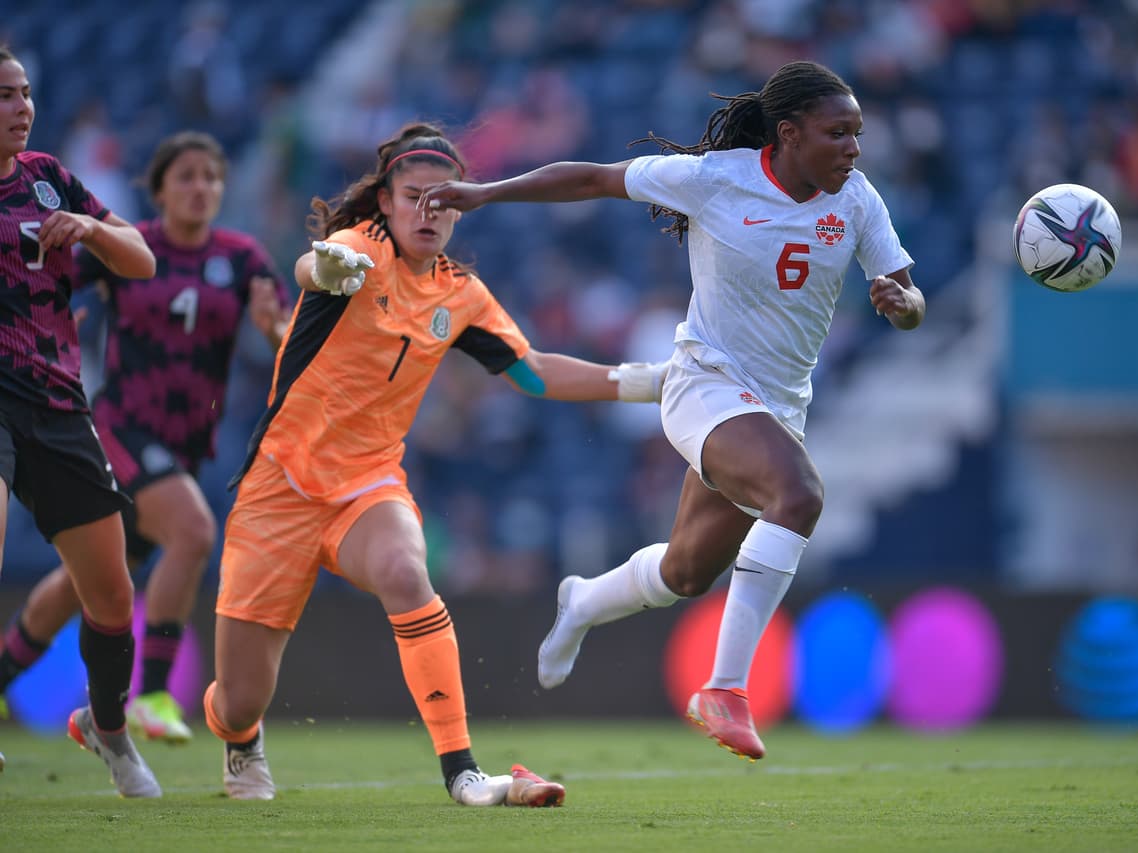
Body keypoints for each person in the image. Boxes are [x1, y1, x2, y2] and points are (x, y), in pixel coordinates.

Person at [424, 60, 926, 761]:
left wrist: (905, 306)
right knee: (799, 494)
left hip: (777, 407)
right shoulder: (718, 179)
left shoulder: (859, 200)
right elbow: (594, 177)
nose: (854, 148)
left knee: (685, 574)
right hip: (704, 386)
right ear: (788, 134)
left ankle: (584, 601)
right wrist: (485, 193)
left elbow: (907, 294)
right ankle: (724, 687)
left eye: (857, 134)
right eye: (837, 133)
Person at [204, 121, 667, 804]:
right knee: (241, 699)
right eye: (414, 196)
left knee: (403, 568)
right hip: (279, 486)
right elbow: (314, 264)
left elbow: (535, 374)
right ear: (384, 203)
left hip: (368, 484)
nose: (430, 211)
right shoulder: (356, 250)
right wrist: (320, 268)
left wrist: (647, 381)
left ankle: (463, 773)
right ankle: (239, 739)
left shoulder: (460, 294)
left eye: (444, 199)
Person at [0, 131, 291, 745]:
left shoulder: (242, 258)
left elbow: (289, 336)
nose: (200, 189)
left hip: (184, 442)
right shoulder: (128, 247)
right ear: (157, 190)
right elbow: (41, 285)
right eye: (185, 176)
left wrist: (273, 331)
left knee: (81, 587)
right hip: (119, 428)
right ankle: (152, 695)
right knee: (192, 530)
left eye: (211, 177)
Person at [0, 46, 161, 796]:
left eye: (25, 92)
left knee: (111, 593)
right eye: (5, 95)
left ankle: (108, 726)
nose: (21, 106)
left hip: (58, 399)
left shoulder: (48, 177)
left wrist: (90, 230)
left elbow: (141, 261)